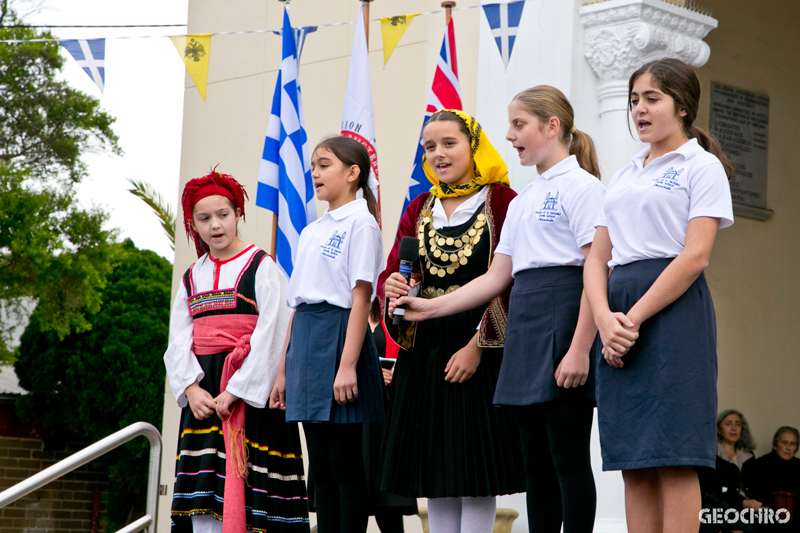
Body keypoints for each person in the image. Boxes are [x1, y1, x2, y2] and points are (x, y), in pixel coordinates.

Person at [389, 87, 604, 533]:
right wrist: (425, 310)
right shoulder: (525, 199)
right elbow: (495, 278)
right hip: (525, 328)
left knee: (567, 457)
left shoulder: (582, 187)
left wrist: (581, 347)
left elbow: (594, 270)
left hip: (561, 321)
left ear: (552, 126)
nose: (509, 135)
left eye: (519, 125)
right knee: (537, 465)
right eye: (508, 125)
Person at [583, 57, 735, 533]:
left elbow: (695, 256)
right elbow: (596, 258)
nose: (639, 110)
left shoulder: (701, 165)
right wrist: (606, 319)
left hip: (672, 311)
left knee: (672, 455)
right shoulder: (625, 173)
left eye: (652, 99)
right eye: (633, 101)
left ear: (683, 106)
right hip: (618, 307)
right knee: (634, 459)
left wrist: (631, 318)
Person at [378, 109, 525, 533]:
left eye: (449, 143)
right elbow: (400, 271)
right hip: (426, 347)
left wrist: (477, 346)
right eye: (429, 147)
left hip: (481, 340)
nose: (438, 154)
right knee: (435, 472)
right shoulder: (420, 207)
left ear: (473, 146)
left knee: (472, 469)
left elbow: (512, 281)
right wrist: (394, 287)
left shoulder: (501, 202)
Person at [164, 169, 309, 533]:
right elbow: (179, 339)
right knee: (204, 492)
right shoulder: (190, 277)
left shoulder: (262, 266)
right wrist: (191, 388)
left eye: (223, 215)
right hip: (204, 398)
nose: (215, 225)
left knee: (251, 492)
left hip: (249, 398)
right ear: (193, 225)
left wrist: (237, 390)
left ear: (238, 213)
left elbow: (273, 331)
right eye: (204, 218)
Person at [270, 136, 385, 533]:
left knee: (344, 462)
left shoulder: (361, 223)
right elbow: (297, 304)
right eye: (313, 166)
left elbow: (360, 297)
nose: (315, 173)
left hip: (340, 339)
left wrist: (348, 364)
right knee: (318, 465)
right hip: (305, 341)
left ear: (353, 173)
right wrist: (284, 370)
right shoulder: (312, 230)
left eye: (324, 165)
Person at [698, 410, 761, 532]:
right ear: (719, 430)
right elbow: (717, 487)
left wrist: (757, 503)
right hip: (722, 506)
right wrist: (742, 502)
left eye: (737, 424)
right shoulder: (712, 455)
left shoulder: (748, 456)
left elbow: (759, 484)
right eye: (728, 424)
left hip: (750, 507)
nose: (733, 428)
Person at [753, 427, 800, 532]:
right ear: (775, 445)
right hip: (767, 523)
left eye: (792, 444)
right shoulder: (760, 465)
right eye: (784, 443)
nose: (788, 448)